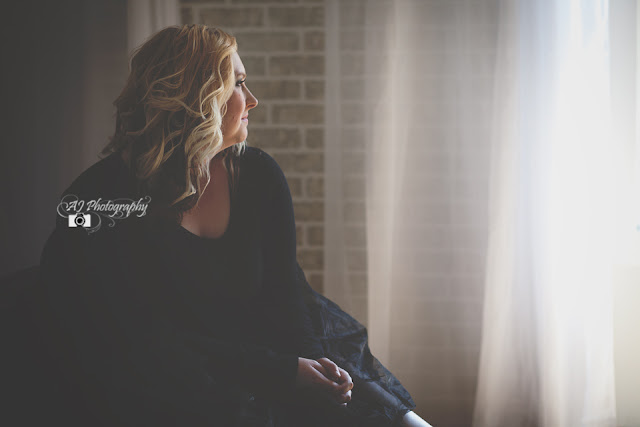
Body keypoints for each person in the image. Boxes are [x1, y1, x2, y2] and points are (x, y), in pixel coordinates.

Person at [36, 24, 427, 426]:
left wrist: (313, 373)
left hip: (270, 364)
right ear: (196, 100)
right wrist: (282, 371)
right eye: (238, 84)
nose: (252, 100)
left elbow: (287, 296)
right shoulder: (97, 199)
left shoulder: (256, 176)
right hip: (169, 386)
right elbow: (144, 344)